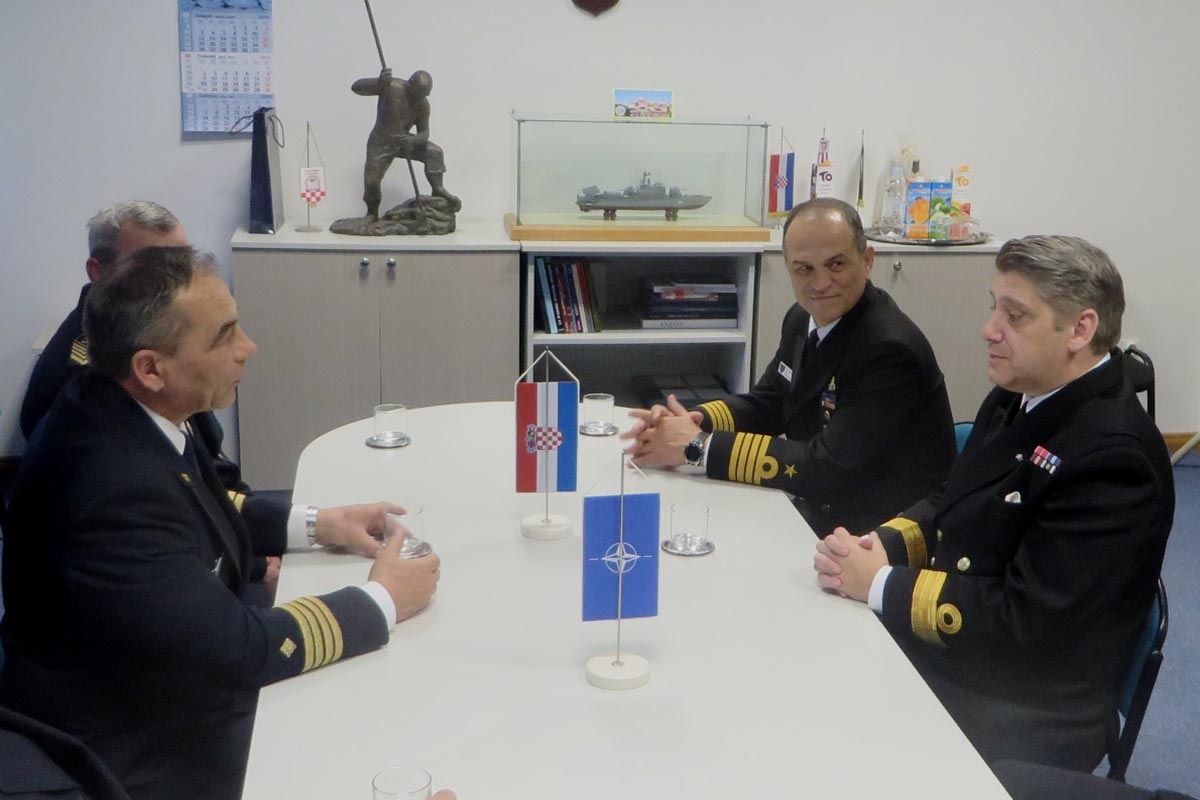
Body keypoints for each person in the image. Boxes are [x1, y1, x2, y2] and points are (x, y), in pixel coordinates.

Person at [0, 246, 442, 800]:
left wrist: (320, 524)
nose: (248, 348)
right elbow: (239, 654)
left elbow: (195, 499)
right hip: (131, 741)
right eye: (223, 336)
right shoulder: (112, 487)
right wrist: (382, 599)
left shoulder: (123, 406)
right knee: (373, 743)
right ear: (151, 368)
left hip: (159, 675)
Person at [813, 235, 1174, 771]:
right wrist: (879, 547)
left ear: (1080, 330)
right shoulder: (1018, 395)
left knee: (829, 732)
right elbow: (952, 500)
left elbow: (1026, 623)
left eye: (1015, 315)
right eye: (993, 307)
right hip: (972, 656)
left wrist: (881, 584)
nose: (989, 329)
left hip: (1030, 706)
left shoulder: (1114, 459)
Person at [622, 198, 956, 536]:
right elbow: (770, 402)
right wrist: (690, 421)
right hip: (825, 508)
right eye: (804, 269)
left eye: (836, 264)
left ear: (867, 260)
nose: (821, 283)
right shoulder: (802, 318)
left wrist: (698, 446)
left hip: (878, 532)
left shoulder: (889, 349)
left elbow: (827, 466)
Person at [18, 200, 284, 595]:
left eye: (181, 259)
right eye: (154, 263)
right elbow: (159, 510)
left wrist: (309, 524)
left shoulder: (170, 349)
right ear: (99, 272)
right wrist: (255, 563)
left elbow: (203, 478)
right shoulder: (91, 384)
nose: (178, 275)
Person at [352, 67, 461, 218]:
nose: (419, 98)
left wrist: (413, 140)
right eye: (417, 93)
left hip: (404, 142)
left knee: (434, 152)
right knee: (372, 180)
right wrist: (378, 82)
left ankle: (438, 188)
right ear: (409, 85)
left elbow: (424, 133)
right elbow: (356, 87)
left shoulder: (423, 105)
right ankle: (372, 213)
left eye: (423, 95)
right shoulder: (391, 86)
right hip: (380, 143)